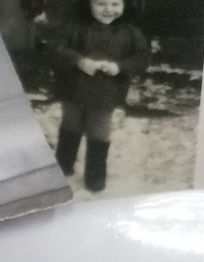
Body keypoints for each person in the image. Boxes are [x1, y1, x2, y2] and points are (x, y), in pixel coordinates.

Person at [45, 0, 150, 194]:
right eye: (101, 4)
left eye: (115, 4)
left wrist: (119, 67)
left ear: (125, 6)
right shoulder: (75, 27)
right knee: (71, 124)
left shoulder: (131, 32)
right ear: (89, 4)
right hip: (74, 88)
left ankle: (95, 178)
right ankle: (63, 166)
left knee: (98, 130)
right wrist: (78, 60)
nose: (108, 10)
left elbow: (142, 58)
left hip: (106, 92)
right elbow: (55, 48)